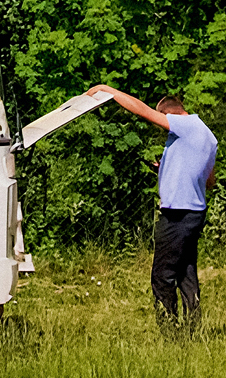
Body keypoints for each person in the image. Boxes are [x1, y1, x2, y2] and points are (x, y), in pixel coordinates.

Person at [89, 85, 218, 330]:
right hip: (195, 212)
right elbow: (209, 180)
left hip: (177, 213)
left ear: (169, 113)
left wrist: (109, 91)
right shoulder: (208, 137)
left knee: (162, 276)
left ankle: (170, 333)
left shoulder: (185, 124)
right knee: (185, 272)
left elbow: (143, 111)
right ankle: (193, 330)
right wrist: (167, 168)